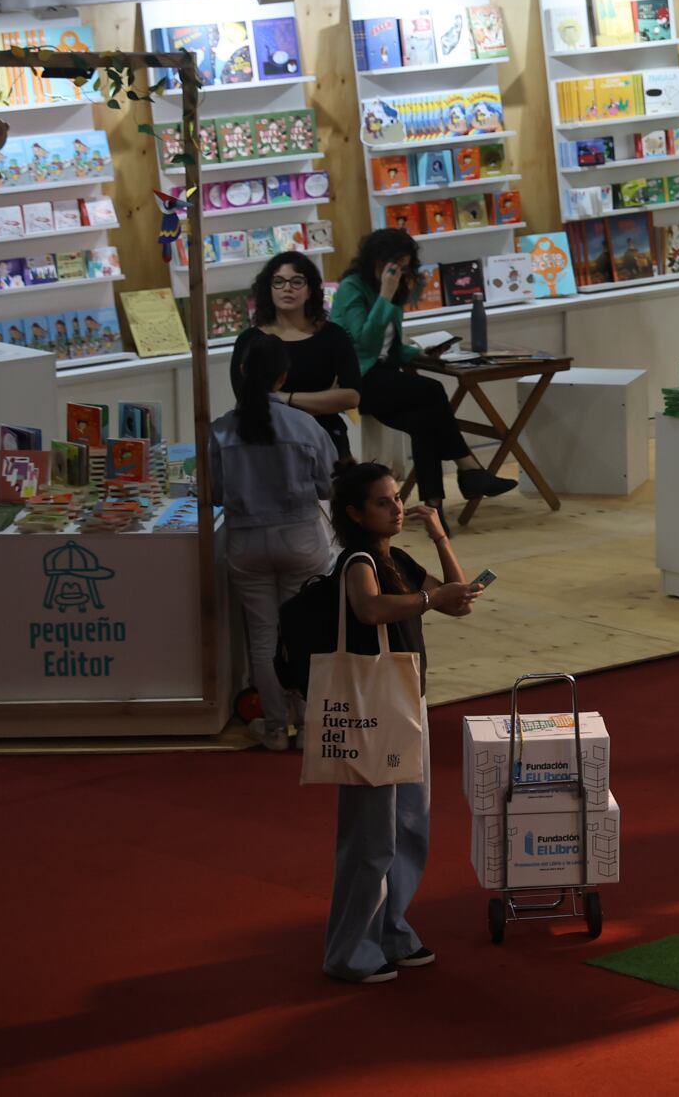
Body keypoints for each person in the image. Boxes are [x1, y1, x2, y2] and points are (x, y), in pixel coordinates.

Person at [322, 460, 482, 984]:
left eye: (396, 498)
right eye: (382, 501)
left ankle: (392, 931)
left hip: (407, 703)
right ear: (354, 512)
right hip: (373, 710)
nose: (396, 508)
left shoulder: (400, 558)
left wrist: (440, 537)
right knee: (371, 837)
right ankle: (349, 951)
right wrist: (431, 598)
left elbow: (458, 602)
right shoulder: (358, 559)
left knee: (409, 828)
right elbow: (368, 610)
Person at [331, 229, 517, 520]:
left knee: (424, 423)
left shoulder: (395, 288)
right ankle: (468, 468)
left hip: (385, 376)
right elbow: (366, 343)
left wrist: (416, 353)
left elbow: (388, 346)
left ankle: (433, 506)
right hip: (359, 380)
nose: (397, 272)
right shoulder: (351, 288)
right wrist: (385, 296)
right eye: (392, 265)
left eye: (403, 267)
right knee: (431, 390)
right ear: (374, 260)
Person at [210, 332, 338, 752]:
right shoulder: (305, 424)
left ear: (242, 371)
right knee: (301, 633)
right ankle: (308, 727)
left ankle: (274, 727)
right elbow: (328, 485)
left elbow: (211, 494)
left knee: (263, 637)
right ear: (283, 377)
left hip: (246, 542)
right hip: (301, 538)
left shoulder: (220, 430)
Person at [235, 251, 362, 463]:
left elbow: (351, 397)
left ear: (310, 289)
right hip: (270, 437)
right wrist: (323, 399)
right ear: (269, 288)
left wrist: (285, 398)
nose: (287, 288)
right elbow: (247, 399)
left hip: (327, 435)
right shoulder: (250, 340)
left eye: (297, 281)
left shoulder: (333, 335)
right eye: (278, 282)